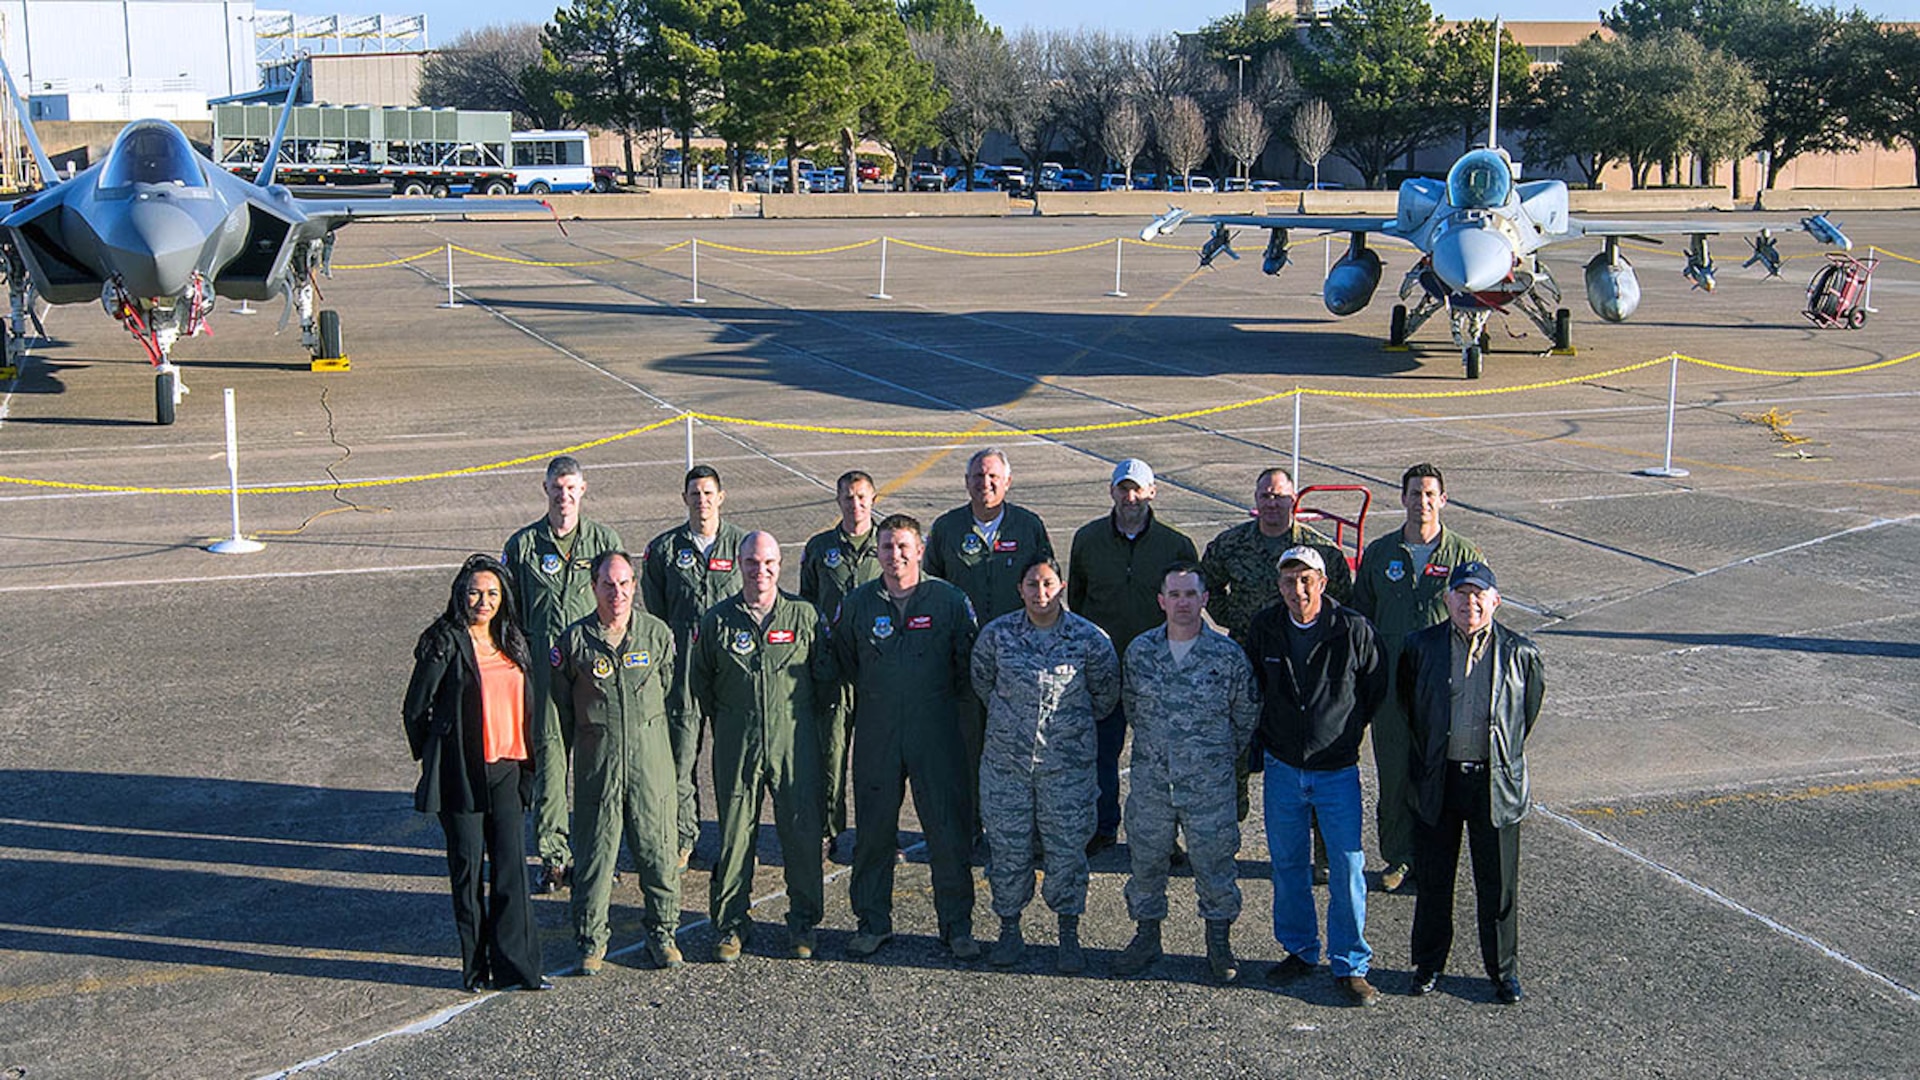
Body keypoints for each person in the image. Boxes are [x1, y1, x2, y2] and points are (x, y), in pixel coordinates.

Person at [830, 513, 981, 961]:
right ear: (876, 553)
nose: (894, 556)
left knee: (947, 832)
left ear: (919, 550)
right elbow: (844, 661)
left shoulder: (949, 600)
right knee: (874, 832)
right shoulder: (859, 603)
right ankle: (872, 922)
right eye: (886, 548)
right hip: (878, 731)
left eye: (902, 547)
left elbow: (965, 668)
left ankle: (957, 927)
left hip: (936, 731)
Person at [402, 554, 551, 993]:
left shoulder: (512, 642)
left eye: (491, 594)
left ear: (503, 598)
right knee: (468, 875)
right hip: (461, 775)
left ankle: (519, 968)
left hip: (507, 769)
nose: (482, 602)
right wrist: (437, 752)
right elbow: (415, 709)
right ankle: (475, 970)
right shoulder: (444, 641)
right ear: (459, 594)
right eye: (473, 593)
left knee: (511, 873)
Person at [1245, 547, 1386, 1007]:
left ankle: (1350, 963)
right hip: (1284, 766)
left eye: (1306, 580)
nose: (1297, 590)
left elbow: (1373, 687)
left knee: (1346, 868)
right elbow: (1254, 686)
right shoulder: (1265, 628)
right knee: (1287, 865)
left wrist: (1343, 733)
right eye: (1289, 581)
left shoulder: (1352, 629)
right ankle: (1300, 950)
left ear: (1323, 583)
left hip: (1336, 769)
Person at [1401, 561, 1544, 1005]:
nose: (1470, 603)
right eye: (1461, 594)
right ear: (1447, 600)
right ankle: (1428, 965)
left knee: (1498, 887)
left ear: (1495, 601)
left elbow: (1526, 714)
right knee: (1434, 882)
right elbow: (1410, 704)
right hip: (1439, 781)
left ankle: (1502, 972)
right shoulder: (1420, 647)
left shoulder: (1521, 653)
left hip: (1493, 784)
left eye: (1479, 594)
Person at [969, 554, 1119, 974]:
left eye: (1048, 584)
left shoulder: (1089, 639)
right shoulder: (997, 636)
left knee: (1068, 853)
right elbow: (982, 682)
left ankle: (1068, 933)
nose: (1041, 593)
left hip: (1066, 770)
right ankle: (1009, 929)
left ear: (1062, 586)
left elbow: (1105, 697)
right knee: (1007, 851)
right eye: (1032, 585)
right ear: (1020, 589)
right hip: (1006, 769)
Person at [1112, 562, 1260, 983]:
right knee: (1146, 861)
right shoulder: (1140, 652)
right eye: (1174, 595)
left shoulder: (1228, 656)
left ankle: (1218, 943)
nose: (1182, 603)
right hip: (1152, 782)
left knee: (1215, 865)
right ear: (1161, 601)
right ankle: (1146, 936)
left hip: (1209, 784)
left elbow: (1245, 716)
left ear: (1205, 600)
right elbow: (1133, 707)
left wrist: (1208, 757)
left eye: (1191, 595)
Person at [1201, 466, 1352, 874]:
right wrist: (1233, 617)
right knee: (1233, 755)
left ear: (1293, 501)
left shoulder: (1319, 552)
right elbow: (1206, 584)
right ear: (1255, 501)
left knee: (1313, 757)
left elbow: (1342, 603)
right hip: (1248, 664)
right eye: (1265, 496)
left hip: (1303, 668)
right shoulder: (1231, 545)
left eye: (1280, 496)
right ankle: (1225, 843)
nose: (1272, 503)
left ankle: (1321, 853)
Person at [690, 531, 831, 963]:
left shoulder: (804, 616)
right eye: (752, 563)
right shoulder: (717, 621)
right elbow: (702, 684)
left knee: (801, 832)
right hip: (737, 739)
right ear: (739, 565)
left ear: (779, 564)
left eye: (768, 562)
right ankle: (731, 924)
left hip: (795, 739)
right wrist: (736, 721)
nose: (761, 571)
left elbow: (825, 681)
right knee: (734, 836)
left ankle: (803, 922)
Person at [1352, 463, 1482, 894]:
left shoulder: (1464, 556)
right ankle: (1399, 857)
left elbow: (1481, 620)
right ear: (1402, 498)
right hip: (1390, 686)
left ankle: (1434, 858)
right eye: (1414, 494)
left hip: (1444, 688)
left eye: (1430, 494)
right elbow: (1361, 619)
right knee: (1394, 774)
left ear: (1443, 500)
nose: (1422, 502)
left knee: (1438, 777)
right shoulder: (1381, 553)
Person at [552, 551, 682, 975]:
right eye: (608, 585)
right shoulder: (573, 643)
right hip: (599, 768)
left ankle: (662, 935)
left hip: (651, 769)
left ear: (634, 586)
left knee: (658, 853)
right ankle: (591, 941)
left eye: (625, 584)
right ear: (593, 588)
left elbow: (673, 698)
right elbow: (559, 719)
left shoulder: (656, 635)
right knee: (595, 857)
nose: (618, 593)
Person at [501, 456, 624, 894]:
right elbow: (507, 615)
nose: (564, 496)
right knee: (551, 768)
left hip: (594, 676)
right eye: (557, 488)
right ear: (545, 489)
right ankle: (554, 857)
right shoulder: (522, 546)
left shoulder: (605, 542)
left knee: (597, 769)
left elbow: (621, 607)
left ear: (583, 491)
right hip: (544, 679)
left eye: (572, 488)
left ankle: (597, 854)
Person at [925, 447, 1055, 860]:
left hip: (1017, 661)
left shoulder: (1028, 526)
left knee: (1023, 747)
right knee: (966, 746)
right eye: (979, 477)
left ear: (1008, 482)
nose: (986, 484)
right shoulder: (947, 528)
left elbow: (1045, 583)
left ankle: (1025, 829)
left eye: (994, 477)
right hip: (963, 661)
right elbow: (933, 586)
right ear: (966, 483)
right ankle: (969, 825)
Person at [1067, 459, 1198, 856]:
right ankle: (1102, 827)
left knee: (1161, 758)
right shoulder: (1087, 540)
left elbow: (1187, 606)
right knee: (1100, 754)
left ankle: (1163, 836)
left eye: (1137, 489)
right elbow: (1079, 597)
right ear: (1111, 491)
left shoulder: (1176, 546)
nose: (1130, 497)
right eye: (1123, 489)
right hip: (1103, 669)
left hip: (1159, 671)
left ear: (1152, 492)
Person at [642, 465, 748, 870]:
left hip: (729, 665)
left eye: (708, 493)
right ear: (683, 498)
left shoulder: (741, 544)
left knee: (733, 759)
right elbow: (656, 607)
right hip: (683, 665)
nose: (701, 500)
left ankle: (734, 842)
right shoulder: (665, 549)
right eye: (694, 494)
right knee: (681, 755)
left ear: (721, 497)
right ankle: (683, 838)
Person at [799, 471, 881, 860]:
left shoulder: (888, 544)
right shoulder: (819, 547)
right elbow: (806, 604)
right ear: (838, 501)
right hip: (834, 668)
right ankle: (827, 829)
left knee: (877, 757)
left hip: (876, 667)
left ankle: (880, 831)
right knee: (830, 752)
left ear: (873, 499)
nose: (856, 504)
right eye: (848, 498)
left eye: (862, 497)